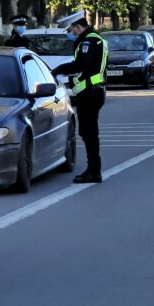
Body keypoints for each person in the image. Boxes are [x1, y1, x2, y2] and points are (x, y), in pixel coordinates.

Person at [51, 10, 108, 183]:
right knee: (87, 131)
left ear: (78, 26)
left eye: (71, 30)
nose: (70, 34)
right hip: (93, 91)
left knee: (89, 132)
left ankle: (94, 171)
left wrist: (59, 69)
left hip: (89, 92)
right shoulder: (94, 39)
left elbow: (81, 64)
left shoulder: (89, 41)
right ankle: (93, 170)